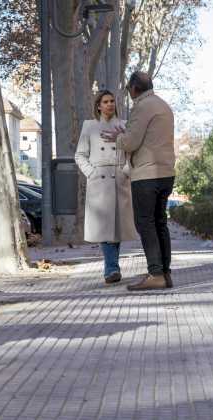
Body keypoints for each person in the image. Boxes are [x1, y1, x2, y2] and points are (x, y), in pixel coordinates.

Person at [101, 72, 175, 291]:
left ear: (134, 88)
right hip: (166, 172)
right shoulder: (163, 105)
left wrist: (119, 138)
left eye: (128, 89)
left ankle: (155, 274)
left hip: (147, 175)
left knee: (145, 223)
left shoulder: (142, 106)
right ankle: (165, 273)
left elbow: (132, 143)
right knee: (160, 222)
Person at [74, 89, 137, 284]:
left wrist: (126, 171)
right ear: (98, 106)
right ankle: (111, 269)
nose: (110, 104)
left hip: (119, 179)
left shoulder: (124, 125)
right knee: (105, 228)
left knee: (116, 228)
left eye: (112, 101)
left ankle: (112, 268)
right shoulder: (90, 126)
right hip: (99, 181)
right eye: (106, 101)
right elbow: (80, 155)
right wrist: (91, 173)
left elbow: (132, 153)